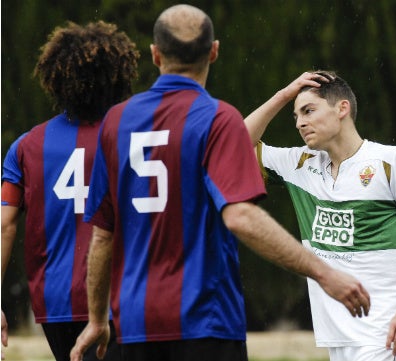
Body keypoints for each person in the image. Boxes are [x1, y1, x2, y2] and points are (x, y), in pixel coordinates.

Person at [69, 5, 370, 361]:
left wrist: (95, 319)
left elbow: (102, 235)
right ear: (214, 51)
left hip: (136, 324)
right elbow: (240, 216)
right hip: (206, 321)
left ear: (154, 54)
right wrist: (324, 273)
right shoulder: (218, 118)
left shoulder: (116, 121)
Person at [244, 71, 396, 361]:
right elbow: (235, 145)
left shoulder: (392, 161)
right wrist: (283, 95)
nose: (301, 122)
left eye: (309, 111)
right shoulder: (299, 164)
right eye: (296, 115)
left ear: (342, 108)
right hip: (337, 335)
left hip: (386, 331)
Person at [1, 21, 139, 361]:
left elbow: (5, 225)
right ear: (117, 78)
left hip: (55, 300)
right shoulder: (134, 137)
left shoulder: (25, 146)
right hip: (119, 296)